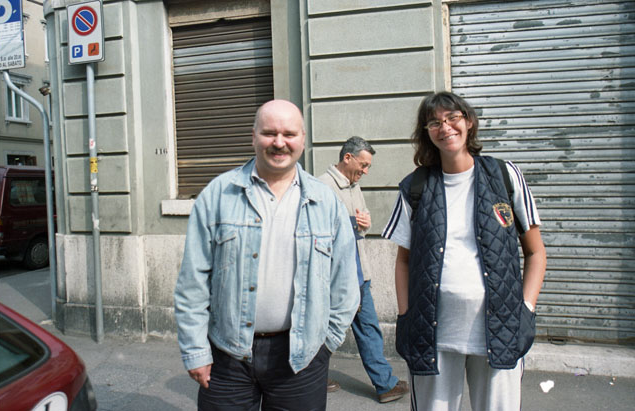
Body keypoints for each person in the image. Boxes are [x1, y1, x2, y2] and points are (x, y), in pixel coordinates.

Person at [174, 99, 360, 411]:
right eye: (269, 133)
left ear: (302, 139)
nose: (279, 142)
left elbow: (345, 282)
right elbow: (192, 282)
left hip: (302, 359)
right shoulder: (218, 194)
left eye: (289, 134)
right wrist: (195, 350)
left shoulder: (326, 202)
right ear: (254, 136)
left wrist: (326, 344)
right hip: (227, 356)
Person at [382, 92, 547, 411]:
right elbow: (403, 261)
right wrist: (405, 315)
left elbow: (536, 253)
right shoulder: (415, 187)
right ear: (427, 133)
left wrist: (526, 309)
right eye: (434, 122)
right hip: (432, 335)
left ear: (468, 121)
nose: (445, 127)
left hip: (501, 329)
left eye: (452, 118)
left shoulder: (505, 176)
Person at [318, 137, 409, 403]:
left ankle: (382, 383)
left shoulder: (353, 185)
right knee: (351, 327)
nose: (366, 171)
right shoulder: (321, 187)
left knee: (357, 327)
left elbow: (360, 224)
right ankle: (384, 384)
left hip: (358, 271)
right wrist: (351, 224)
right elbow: (319, 231)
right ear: (347, 157)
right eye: (364, 164)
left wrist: (365, 224)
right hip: (339, 275)